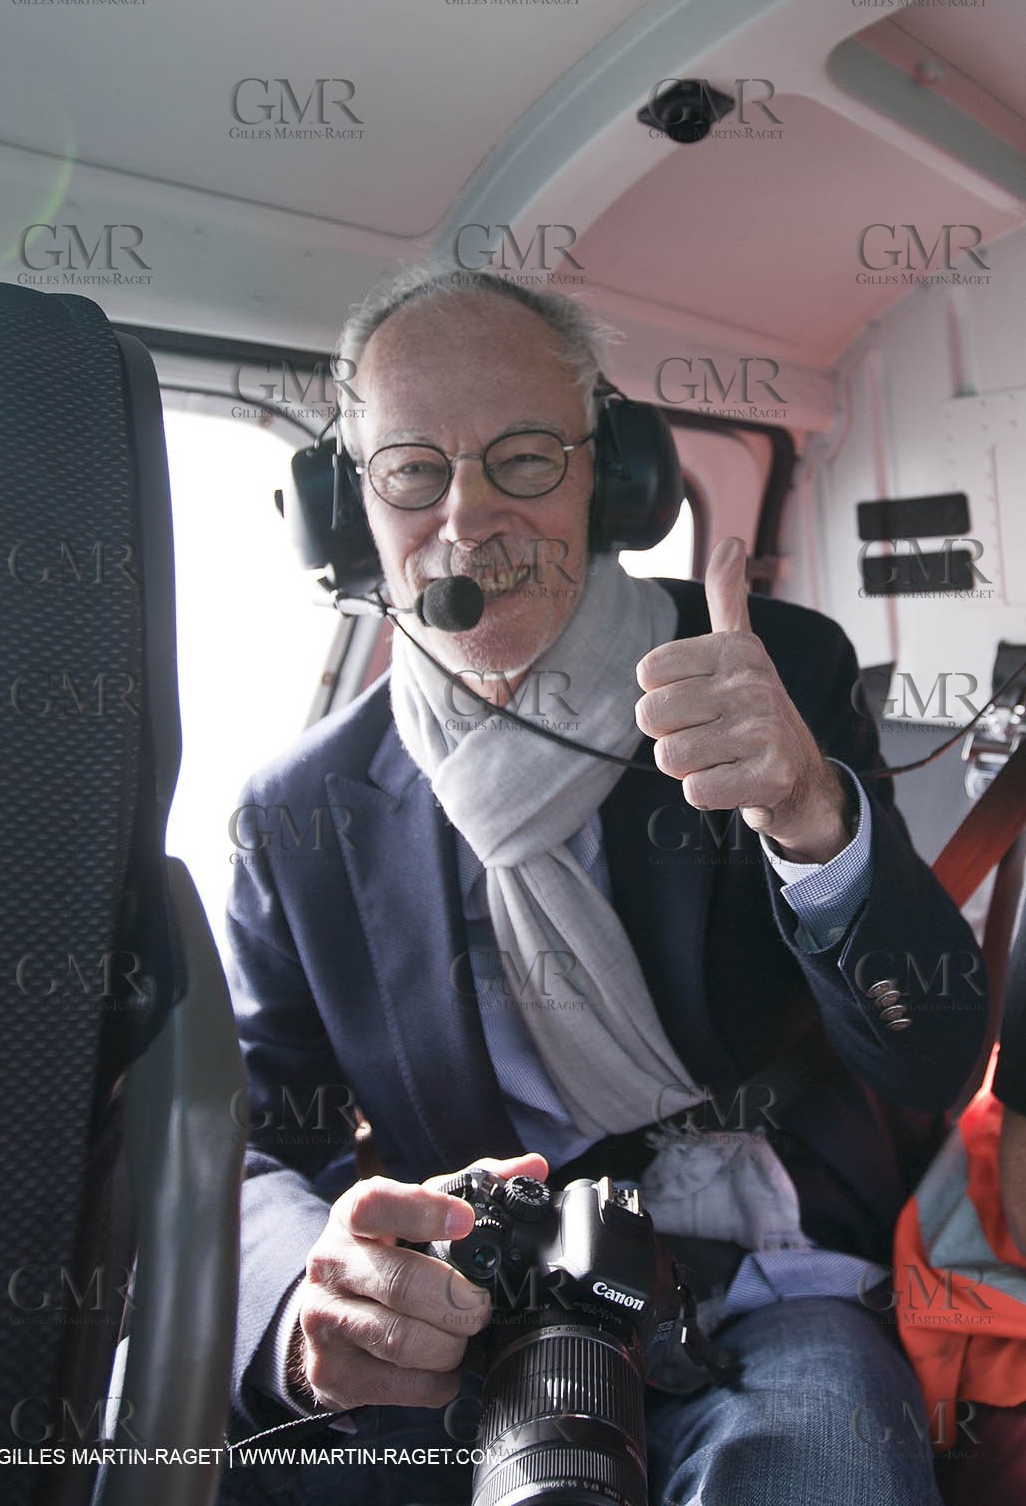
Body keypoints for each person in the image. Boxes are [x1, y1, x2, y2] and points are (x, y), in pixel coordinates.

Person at [219, 266, 988, 1506]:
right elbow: (257, 1144)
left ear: (612, 478)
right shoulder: (296, 814)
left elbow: (934, 1058)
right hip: (472, 1300)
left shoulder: (767, 668)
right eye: (412, 470)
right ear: (345, 506)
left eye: (524, 457)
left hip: (759, 1274)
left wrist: (808, 814)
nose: (465, 520)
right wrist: (309, 1291)